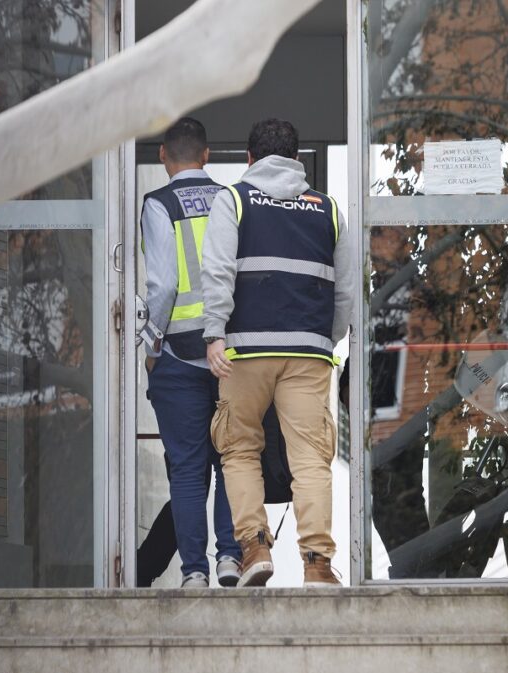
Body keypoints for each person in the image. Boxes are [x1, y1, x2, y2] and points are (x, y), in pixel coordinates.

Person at [201, 118, 355, 587]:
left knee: (240, 447)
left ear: (250, 159)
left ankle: (253, 550)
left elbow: (218, 270)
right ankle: (317, 564)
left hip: (245, 352)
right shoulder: (328, 210)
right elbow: (345, 291)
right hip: (308, 352)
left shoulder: (234, 199)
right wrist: (325, 340)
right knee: (310, 457)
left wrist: (215, 334)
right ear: (296, 159)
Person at [141, 117, 241, 588]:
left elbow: (161, 286)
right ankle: (230, 558)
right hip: (230, 355)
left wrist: (151, 345)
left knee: (186, 470)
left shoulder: (159, 204)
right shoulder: (230, 199)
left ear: (163, 155)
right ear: (207, 155)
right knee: (231, 461)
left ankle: (194, 573)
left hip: (179, 356)